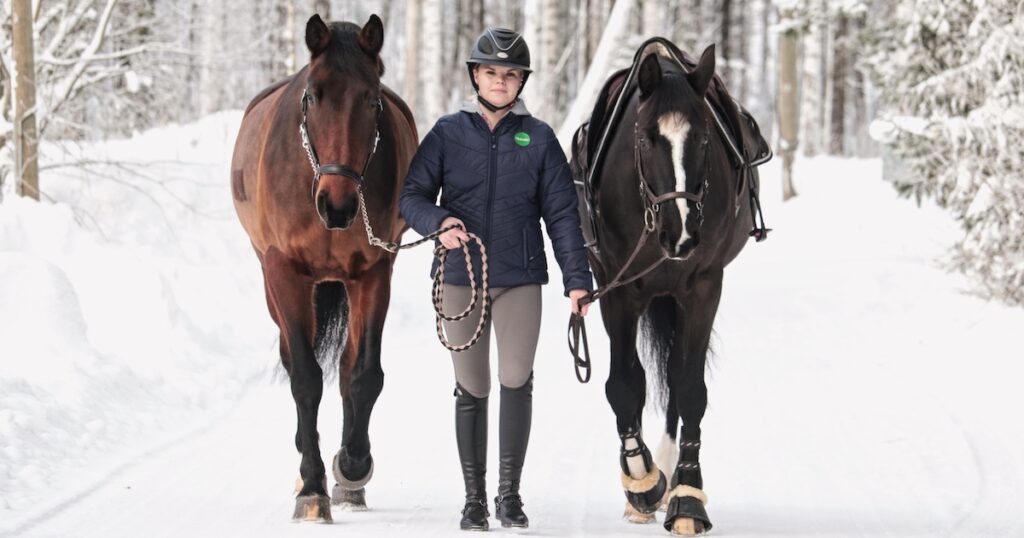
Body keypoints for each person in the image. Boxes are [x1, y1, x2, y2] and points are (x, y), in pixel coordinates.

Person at [399, 27, 593, 531]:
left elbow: (563, 215)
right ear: (475, 76)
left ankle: (509, 495)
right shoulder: (446, 133)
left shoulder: (541, 138)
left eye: (510, 74)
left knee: (515, 378)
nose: (501, 81)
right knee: (472, 384)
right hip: (460, 277)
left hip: (519, 279)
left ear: (521, 81)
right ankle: (473, 500)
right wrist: (438, 222)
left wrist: (577, 279)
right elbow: (411, 196)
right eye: (491, 72)